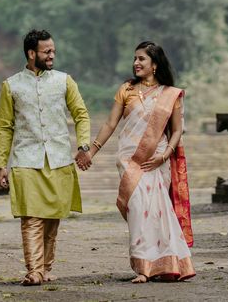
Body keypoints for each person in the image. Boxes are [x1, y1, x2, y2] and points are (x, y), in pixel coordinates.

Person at [77, 41, 194, 283]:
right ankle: (144, 266)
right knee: (139, 210)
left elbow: (176, 130)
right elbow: (111, 124)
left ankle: (167, 263)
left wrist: (164, 155)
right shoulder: (126, 89)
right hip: (130, 160)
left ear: (154, 64)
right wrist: (91, 151)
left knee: (159, 212)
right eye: (135, 58)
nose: (136, 63)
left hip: (157, 159)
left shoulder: (170, 94)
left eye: (141, 59)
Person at [0, 29, 91, 286]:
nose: (52, 56)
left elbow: (81, 114)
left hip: (58, 158)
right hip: (26, 159)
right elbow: (4, 126)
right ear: (31, 53)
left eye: (53, 51)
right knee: (31, 218)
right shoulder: (11, 85)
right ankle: (34, 271)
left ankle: (45, 268)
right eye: (47, 51)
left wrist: (83, 146)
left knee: (51, 219)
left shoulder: (64, 81)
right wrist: (0, 164)